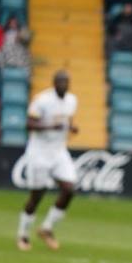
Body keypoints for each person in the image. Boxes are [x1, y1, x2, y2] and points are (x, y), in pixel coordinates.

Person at [17, 70, 79, 252]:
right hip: (39, 152)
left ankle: (46, 228)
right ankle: (23, 234)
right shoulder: (42, 100)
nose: (63, 85)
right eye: (60, 82)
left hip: (59, 151)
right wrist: (51, 126)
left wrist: (72, 127)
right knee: (37, 195)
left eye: (66, 82)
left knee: (69, 189)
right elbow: (29, 124)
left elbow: (68, 121)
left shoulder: (72, 100)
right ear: (54, 83)